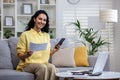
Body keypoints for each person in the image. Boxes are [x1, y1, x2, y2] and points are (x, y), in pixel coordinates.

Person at [16, 10, 60, 80]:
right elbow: (19, 55)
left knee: (52, 67)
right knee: (42, 67)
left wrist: (54, 50)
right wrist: (27, 55)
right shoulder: (25, 34)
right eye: (40, 19)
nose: (42, 22)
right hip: (28, 65)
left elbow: (46, 55)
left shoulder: (46, 35)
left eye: (44, 20)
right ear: (34, 19)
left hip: (43, 63)